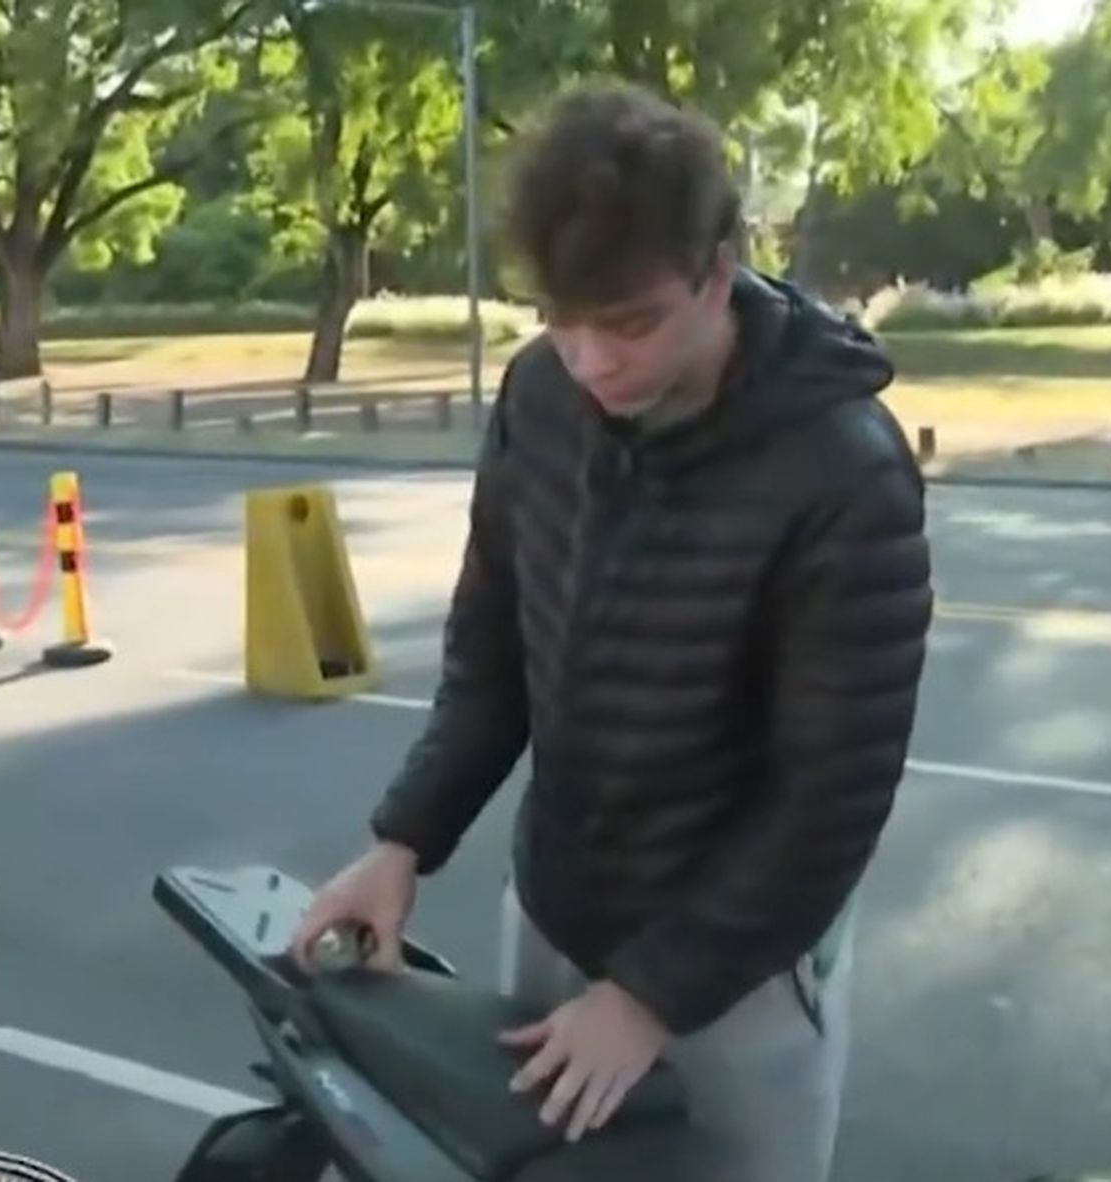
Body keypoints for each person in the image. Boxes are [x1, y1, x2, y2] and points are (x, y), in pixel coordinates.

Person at [292, 79, 934, 1182]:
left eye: (631, 324)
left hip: (741, 977)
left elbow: (829, 800)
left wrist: (648, 998)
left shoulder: (844, 468)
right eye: (561, 321)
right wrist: (403, 843)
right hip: (553, 913)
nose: (593, 363)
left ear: (716, 275)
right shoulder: (539, 396)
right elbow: (491, 658)